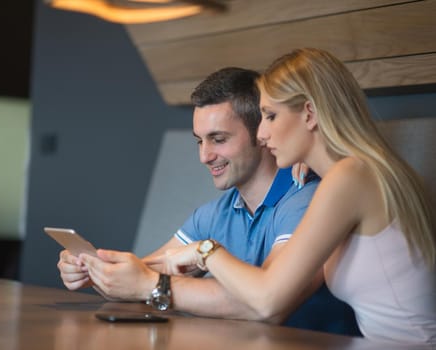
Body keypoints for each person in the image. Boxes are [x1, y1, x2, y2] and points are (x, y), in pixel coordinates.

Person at [149, 49, 436, 345]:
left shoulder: (350, 177)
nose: (260, 133)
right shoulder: (350, 175)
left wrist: (204, 252)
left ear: (309, 114)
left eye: (270, 116)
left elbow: (267, 300)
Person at [58, 67, 359, 335]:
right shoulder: (216, 213)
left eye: (218, 139)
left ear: (262, 133)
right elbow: (147, 269)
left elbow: (266, 305)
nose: (204, 156)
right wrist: (95, 270)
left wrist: (148, 285)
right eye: (199, 141)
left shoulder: (305, 197)